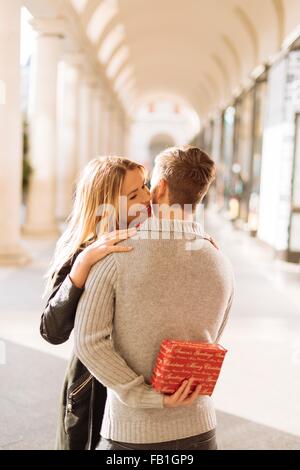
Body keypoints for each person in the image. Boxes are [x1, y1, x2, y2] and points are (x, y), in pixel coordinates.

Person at [74, 145, 235, 451]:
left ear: (160, 188)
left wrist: (147, 397)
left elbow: (87, 342)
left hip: (133, 434)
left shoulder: (115, 256)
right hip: (201, 428)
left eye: (148, 186)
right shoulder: (221, 262)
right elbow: (211, 340)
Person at [40, 156, 150, 449]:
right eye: (134, 194)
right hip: (92, 391)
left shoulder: (152, 238)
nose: (148, 197)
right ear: (107, 204)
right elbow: (52, 331)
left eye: (146, 187)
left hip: (142, 387)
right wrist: (83, 265)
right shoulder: (81, 249)